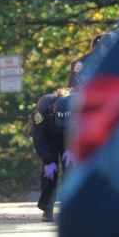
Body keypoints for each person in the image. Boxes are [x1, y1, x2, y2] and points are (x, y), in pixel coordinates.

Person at [30, 89, 73, 222]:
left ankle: (71, 209)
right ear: (53, 111)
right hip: (48, 139)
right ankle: (47, 209)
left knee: (71, 172)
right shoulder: (42, 109)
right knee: (50, 174)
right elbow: (38, 139)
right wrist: (48, 161)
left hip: (68, 137)